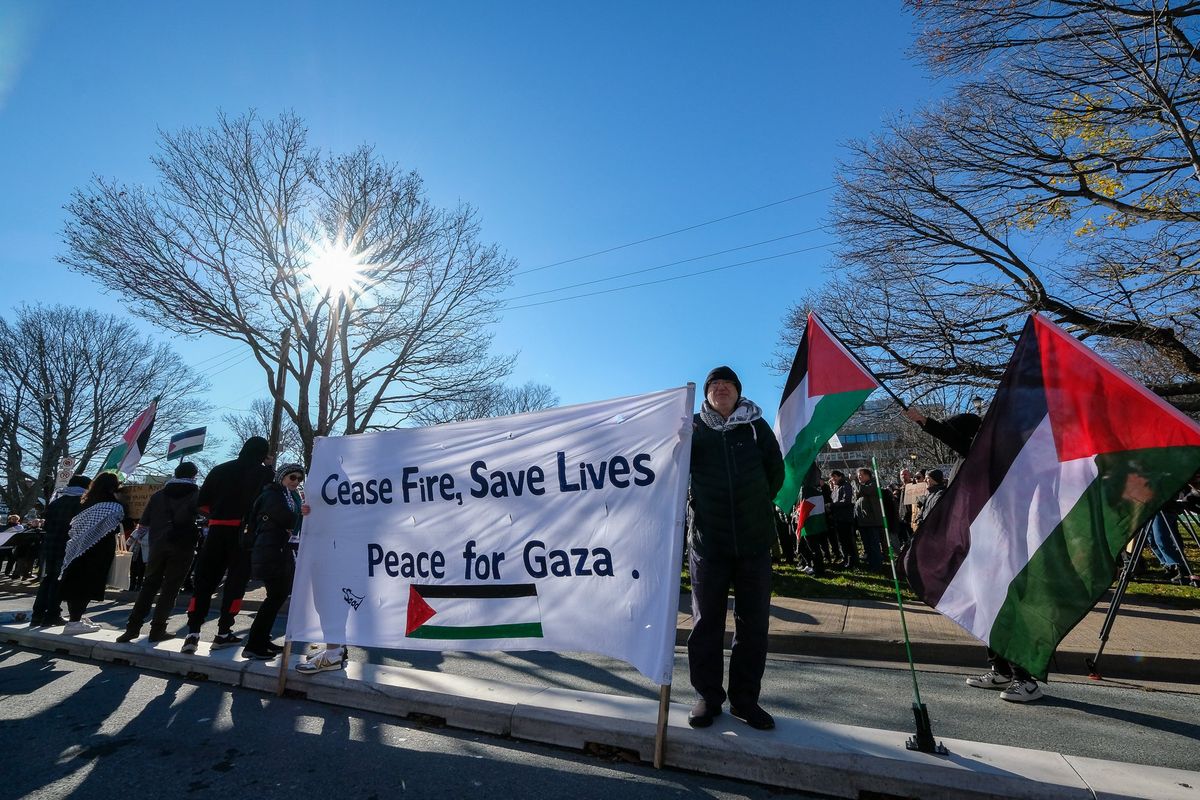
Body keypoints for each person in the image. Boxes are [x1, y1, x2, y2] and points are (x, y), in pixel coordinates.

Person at [905, 406, 1043, 702]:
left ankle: (1025, 679)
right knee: (984, 606)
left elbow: (961, 443)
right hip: (979, 543)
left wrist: (926, 423)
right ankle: (1001, 669)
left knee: (1004, 608)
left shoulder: (987, 453)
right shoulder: (963, 460)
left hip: (1001, 542)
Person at [685, 366, 784, 730]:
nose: (721, 388)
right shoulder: (692, 427)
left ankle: (745, 701)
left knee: (753, 625)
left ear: (738, 392)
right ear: (707, 394)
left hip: (754, 542)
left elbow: (776, 472)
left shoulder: (756, 428)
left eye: (727, 384)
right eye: (715, 384)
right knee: (706, 623)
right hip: (708, 543)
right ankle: (707, 697)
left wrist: (754, 505)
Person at [183, 436, 274, 655]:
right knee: (236, 582)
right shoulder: (265, 474)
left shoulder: (219, 469)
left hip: (215, 530)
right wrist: (269, 467)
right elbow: (266, 506)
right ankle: (223, 632)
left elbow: (201, 504)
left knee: (204, 581)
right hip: (244, 534)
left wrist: (216, 514)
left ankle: (193, 633)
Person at [116, 462, 202, 643]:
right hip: (182, 545)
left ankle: (132, 628)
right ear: (194, 476)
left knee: (149, 586)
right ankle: (157, 629)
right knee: (171, 588)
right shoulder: (196, 494)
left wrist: (131, 541)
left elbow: (144, 523)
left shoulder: (158, 496)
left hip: (157, 545)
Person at [242, 463, 311, 660]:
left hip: (280, 550)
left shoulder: (291, 496)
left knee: (276, 597)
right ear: (282, 477)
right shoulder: (273, 494)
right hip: (271, 551)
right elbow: (286, 518)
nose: (296, 482)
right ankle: (254, 644)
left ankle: (260, 639)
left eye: (299, 478)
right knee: (275, 596)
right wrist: (301, 513)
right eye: (292, 478)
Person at [57, 473, 126, 635]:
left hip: (76, 547)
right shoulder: (113, 505)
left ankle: (76, 617)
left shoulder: (85, 500)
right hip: (98, 549)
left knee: (75, 582)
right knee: (86, 585)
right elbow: (120, 524)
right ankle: (74, 622)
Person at [30, 475, 91, 626]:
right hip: (68, 546)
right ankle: (52, 614)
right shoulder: (83, 503)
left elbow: (47, 525)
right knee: (59, 581)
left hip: (50, 545)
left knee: (48, 579)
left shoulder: (56, 502)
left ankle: (37, 614)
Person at [852, 467, 888, 569]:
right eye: (858, 476)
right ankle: (871, 563)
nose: (859, 477)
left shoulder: (873, 484)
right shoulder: (861, 486)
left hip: (873, 521)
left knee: (873, 544)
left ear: (868, 475)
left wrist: (855, 482)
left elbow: (866, 491)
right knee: (867, 545)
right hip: (863, 522)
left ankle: (877, 565)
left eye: (861, 475)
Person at [826, 470, 855, 568]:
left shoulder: (845, 486)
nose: (833, 479)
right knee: (841, 541)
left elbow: (846, 500)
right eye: (832, 477)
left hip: (845, 518)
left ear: (840, 476)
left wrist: (832, 505)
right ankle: (845, 558)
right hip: (837, 518)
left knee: (847, 540)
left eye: (835, 476)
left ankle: (851, 561)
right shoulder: (835, 488)